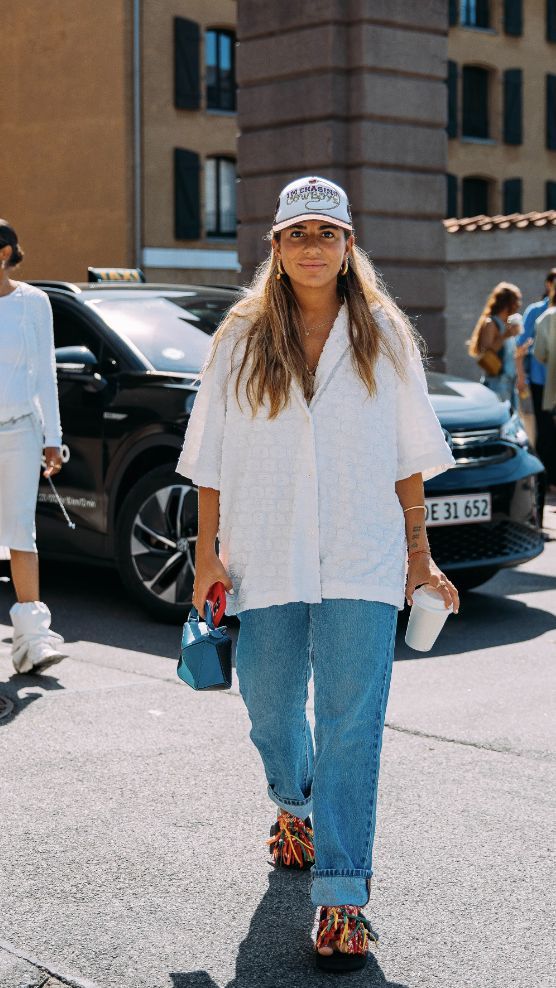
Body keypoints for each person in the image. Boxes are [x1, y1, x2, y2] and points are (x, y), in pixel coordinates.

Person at [177, 176, 459, 973]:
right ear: (275, 246)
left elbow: (410, 459)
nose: (312, 246)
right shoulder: (238, 336)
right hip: (263, 551)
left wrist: (418, 554)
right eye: (297, 233)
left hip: (362, 554)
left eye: (325, 233)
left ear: (348, 245)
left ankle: (341, 897)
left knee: (349, 724)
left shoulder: (385, 335)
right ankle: (291, 805)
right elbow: (209, 460)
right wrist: (206, 555)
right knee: (268, 705)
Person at [0, 219, 66, 673]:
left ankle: (32, 642)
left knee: (22, 528)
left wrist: (53, 439)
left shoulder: (33, 303)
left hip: (21, 429)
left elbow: (46, 373)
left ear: (4, 253)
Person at [518, 269, 556, 497]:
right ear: (548, 284)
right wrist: (522, 377)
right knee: (545, 432)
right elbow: (522, 345)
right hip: (543, 381)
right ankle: (549, 479)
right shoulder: (537, 312)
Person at [467, 282, 525, 408]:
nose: (518, 305)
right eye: (516, 301)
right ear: (507, 304)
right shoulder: (491, 323)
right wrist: (505, 336)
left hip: (510, 383)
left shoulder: (507, 324)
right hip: (496, 384)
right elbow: (486, 352)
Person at [533, 278, 556, 495]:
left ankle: (552, 482)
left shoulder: (547, 318)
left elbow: (539, 354)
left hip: (554, 389)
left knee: (550, 436)